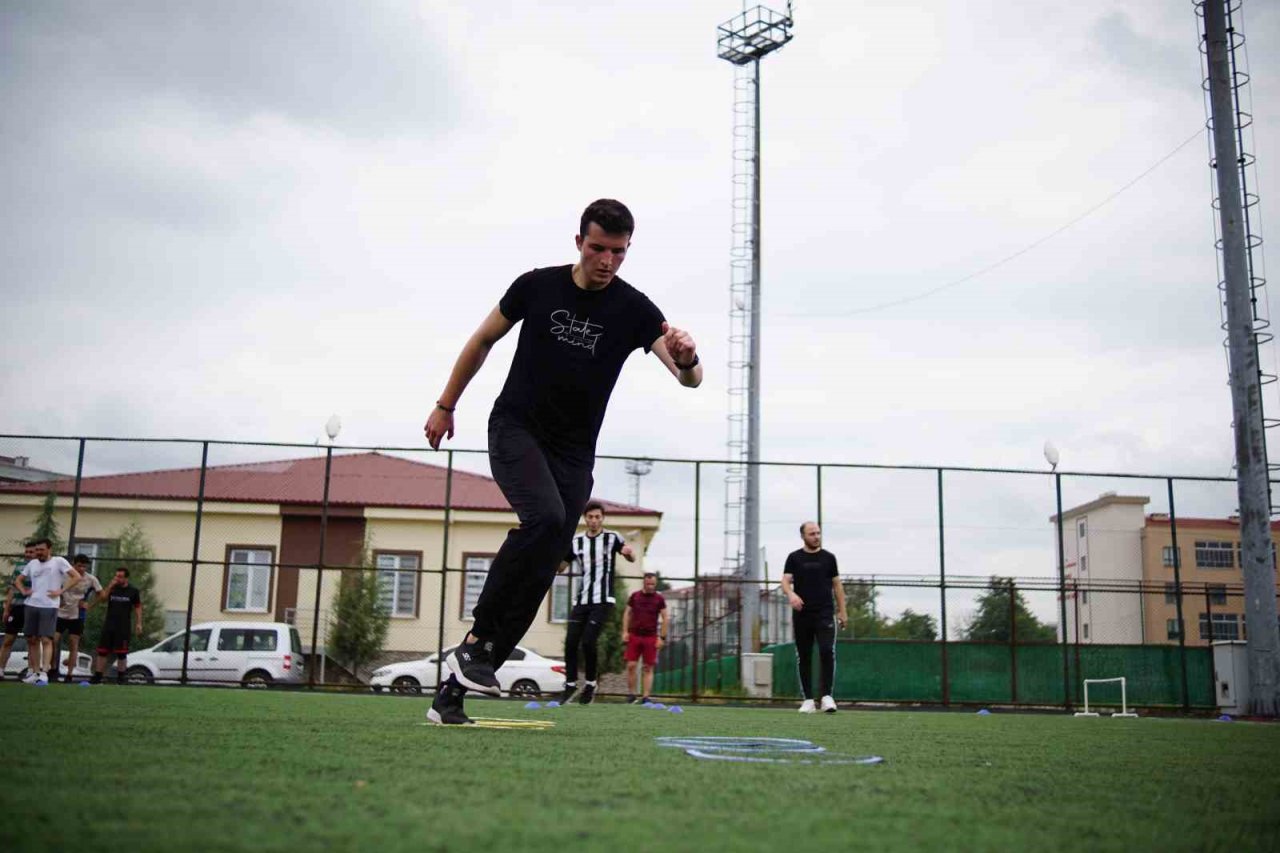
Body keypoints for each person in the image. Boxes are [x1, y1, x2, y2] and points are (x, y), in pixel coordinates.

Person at [423, 199, 701, 725]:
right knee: (547, 520)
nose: (607, 261)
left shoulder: (635, 309)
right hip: (515, 430)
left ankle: (458, 687)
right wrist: (446, 404)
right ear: (579, 242)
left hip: (574, 455)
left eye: (618, 252)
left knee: (549, 554)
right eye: (598, 249)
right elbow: (482, 340)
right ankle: (478, 638)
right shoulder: (536, 286)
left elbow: (688, 377)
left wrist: (687, 358)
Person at [555, 500, 636, 705]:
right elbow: (561, 567)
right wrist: (551, 555)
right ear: (585, 518)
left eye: (597, 517)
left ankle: (590, 684)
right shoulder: (577, 541)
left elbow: (630, 555)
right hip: (582, 600)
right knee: (571, 642)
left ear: (602, 518)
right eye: (590, 517)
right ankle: (571, 684)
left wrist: (630, 553)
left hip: (603, 600)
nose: (593, 520)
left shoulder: (612, 537)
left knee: (589, 641)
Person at [781, 521, 847, 714]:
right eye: (812, 534)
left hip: (825, 613)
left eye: (818, 533)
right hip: (802, 614)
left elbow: (837, 586)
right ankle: (808, 700)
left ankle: (827, 697)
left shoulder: (829, 558)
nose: (816, 536)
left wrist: (842, 611)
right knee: (804, 655)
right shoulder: (794, 558)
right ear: (803, 536)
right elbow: (785, 581)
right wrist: (791, 595)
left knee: (827, 651)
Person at [14, 538, 81, 685]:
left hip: (49, 606)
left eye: (41, 550)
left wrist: (61, 590)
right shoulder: (32, 564)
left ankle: (45, 672)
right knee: (32, 640)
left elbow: (76, 576)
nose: (39, 553)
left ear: (49, 549)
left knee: (46, 639)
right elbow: (18, 580)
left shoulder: (58, 561)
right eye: (37, 550)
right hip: (31, 605)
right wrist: (23, 591)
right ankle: (35, 672)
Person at [51, 554, 102, 682]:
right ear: (73, 564)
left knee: (73, 644)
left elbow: (102, 594)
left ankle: (69, 675)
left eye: (84, 566)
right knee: (53, 641)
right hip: (60, 613)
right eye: (79, 566)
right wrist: (59, 599)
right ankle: (52, 669)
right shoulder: (63, 576)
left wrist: (89, 605)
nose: (82, 569)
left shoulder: (91, 579)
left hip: (77, 615)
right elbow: (53, 589)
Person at [90, 567, 142, 685]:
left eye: (120, 577)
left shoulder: (133, 591)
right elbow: (103, 599)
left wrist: (139, 623)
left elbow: (138, 607)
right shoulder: (112, 589)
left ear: (126, 578)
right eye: (116, 576)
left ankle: (121, 678)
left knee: (121, 653)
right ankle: (97, 677)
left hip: (123, 626)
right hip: (109, 624)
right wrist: (109, 586)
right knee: (102, 651)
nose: (117, 578)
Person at [621, 572, 667, 704]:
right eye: (648, 584)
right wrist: (625, 632)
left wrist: (662, 638)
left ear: (655, 583)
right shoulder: (635, 596)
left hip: (650, 637)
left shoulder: (659, 599)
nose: (651, 586)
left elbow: (665, 618)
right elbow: (627, 613)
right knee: (631, 665)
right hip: (634, 635)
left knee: (648, 667)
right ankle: (631, 694)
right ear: (644, 583)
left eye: (653, 584)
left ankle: (646, 697)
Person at [0, 542, 36, 680]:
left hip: (31, 607)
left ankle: (31, 672)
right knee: (8, 640)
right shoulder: (19, 567)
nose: (28, 555)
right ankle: (1, 670)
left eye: (31, 552)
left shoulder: (40, 568)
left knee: (32, 640)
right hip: (16, 608)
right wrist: (7, 609)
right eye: (26, 552)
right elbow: (12, 589)